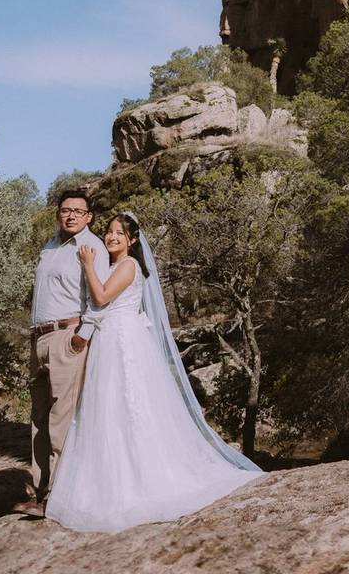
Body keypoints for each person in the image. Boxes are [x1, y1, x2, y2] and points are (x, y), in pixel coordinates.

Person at [40, 212, 262, 532]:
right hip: (108, 341)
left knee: (131, 404)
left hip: (123, 342)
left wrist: (87, 264)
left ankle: (144, 477)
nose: (112, 237)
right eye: (109, 232)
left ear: (132, 240)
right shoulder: (114, 266)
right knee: (108, 409)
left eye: (119, 233)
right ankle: (113, 477)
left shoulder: (128, 265)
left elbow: (101, 297)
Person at [13, 190, 109, 516]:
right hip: (39, 338)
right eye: (65, 210)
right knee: (38, 418)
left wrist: (82, 336)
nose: (70, 216)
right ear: (58, 213)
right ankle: (40, 493)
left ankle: (59, 497)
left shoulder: (92, 247)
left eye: (78, 211)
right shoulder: (50, 247)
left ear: (89, 217)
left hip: (68, 337)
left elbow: (99, 297)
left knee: (61, 419)